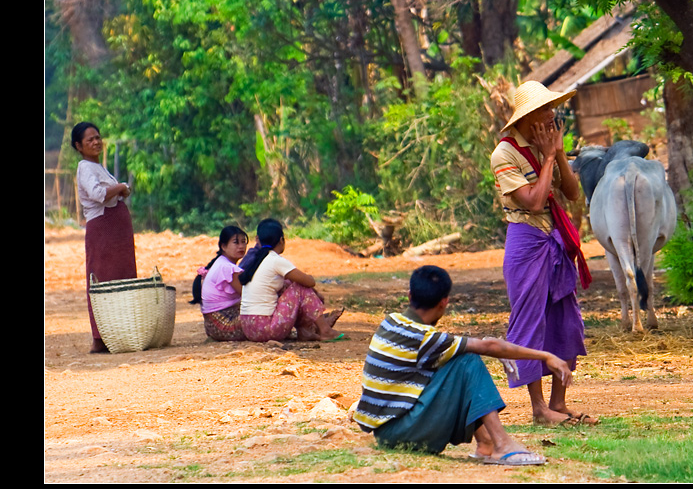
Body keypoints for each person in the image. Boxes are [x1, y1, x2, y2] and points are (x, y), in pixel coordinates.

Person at [353, 265, 572, 465]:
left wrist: (487, 346)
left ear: (410, 296)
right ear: (444, 302)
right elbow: (487, 347)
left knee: (459, 358)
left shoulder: (391, 322)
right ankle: (501, 445)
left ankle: (486, 444)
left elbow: (472, 346)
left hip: (386, 432)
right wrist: (545, 356)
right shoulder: (426, 339)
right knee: (468, 361)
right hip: (402, 434)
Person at [489, 81, 596, 426]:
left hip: (554, 239)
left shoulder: (547, 146)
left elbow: (572, 193)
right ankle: (538, 409)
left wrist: (559, 153)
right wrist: (549, 156)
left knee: (565, 320)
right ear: (529, 117)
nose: (552, 116)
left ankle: (559, 403)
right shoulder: (504, 154)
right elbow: (534, 201)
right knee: (530, 321)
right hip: (526, 241)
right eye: (546, 110)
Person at [72, 122, 138, 354]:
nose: (96, 142)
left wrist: (120, 189)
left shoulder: (97, 166)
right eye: (89, 140)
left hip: (117, 231)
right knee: (102, 278)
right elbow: (99, 194)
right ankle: (100, 337)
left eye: (97, 137)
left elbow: (117, 192)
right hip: (103, 230)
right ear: (79, 146)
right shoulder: (85, 167)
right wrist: (120, 187)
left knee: (123, 277)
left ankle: (123, 332)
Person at [238, 218, 345, 343]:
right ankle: (324, 330)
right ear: (281, 240)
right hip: (266, 328)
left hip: (248, 328)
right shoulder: (275, 260)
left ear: (258, 240)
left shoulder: (255, 259)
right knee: (299, 288)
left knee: (288, 284)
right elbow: (309, 282)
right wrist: (308, 277)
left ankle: (305, 331)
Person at [197, 225, 250, 341]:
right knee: (261, 311)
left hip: (212, 326)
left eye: (243, 242)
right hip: (223, 325)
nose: (241, 246)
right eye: (236, 242)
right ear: (223, 246)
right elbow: (247, 295)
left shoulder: (222, 263)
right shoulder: (227, 267)